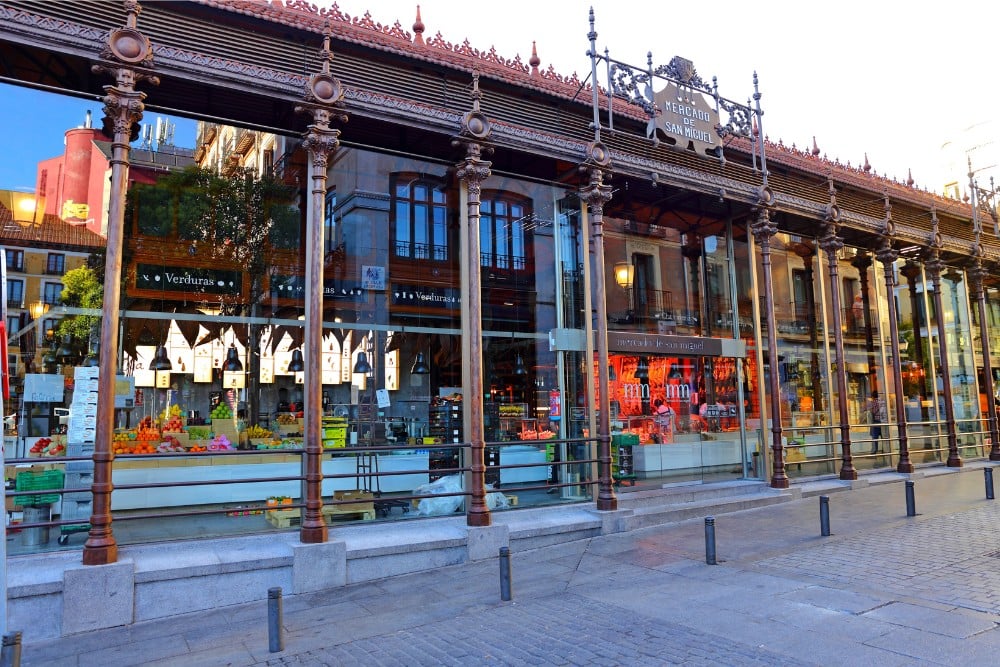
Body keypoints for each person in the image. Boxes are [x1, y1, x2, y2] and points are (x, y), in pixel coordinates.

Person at [867, 390, 887, 454]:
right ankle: (885, 450)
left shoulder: (872, 403)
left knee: (875, 437)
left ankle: (874, 451)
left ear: (872, 396)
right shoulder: (883, 402)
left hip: (876, 422)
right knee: (884, 436)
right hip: (883, 421)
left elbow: (870, 411)